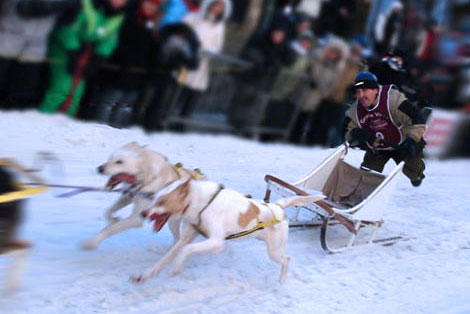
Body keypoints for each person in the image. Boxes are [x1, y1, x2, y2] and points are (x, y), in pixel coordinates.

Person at [38, 0, 129, 117]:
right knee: (62, 88)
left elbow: (110, 38)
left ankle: (64, 124)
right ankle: (43, 118)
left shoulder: (117, 15)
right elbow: (67, 28)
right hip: (63, 47)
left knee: (77, 92)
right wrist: (73, 50)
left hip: (86, 51)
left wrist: (99, 56)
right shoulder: (86, 4)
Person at [344, 72, 427, 187]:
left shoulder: (393, 99)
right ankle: (362, 198)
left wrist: (412, 140)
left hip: (402, 144)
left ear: (376, 90)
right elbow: (348, 132)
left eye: (365, 90)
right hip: (377, 149)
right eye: (358, 92)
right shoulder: (355, 110)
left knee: (414, 173)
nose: (361, 95)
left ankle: (418, 171)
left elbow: (417, 117)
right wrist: (356, 134)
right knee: (365, 179)